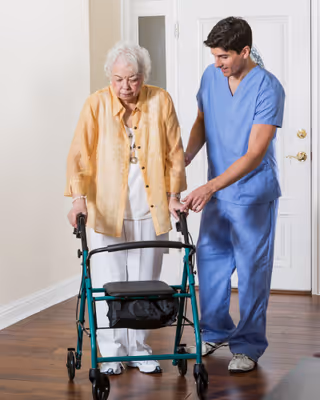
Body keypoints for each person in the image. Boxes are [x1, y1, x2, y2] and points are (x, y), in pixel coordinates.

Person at [65, 41, 186, 375]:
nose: (125, 87)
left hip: (151, 205)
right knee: (109, 281)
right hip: (106, 207)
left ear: (143, 76)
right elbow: (78, 155)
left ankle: (139, 348)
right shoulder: (96, 104)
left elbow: (175, 152)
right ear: (110, 77)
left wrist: (175, 194)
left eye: (132, 79)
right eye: (118, 79)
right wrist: (78, 199)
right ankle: (112, 351)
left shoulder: (160, 100)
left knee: (146, 282)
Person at [183, 17, 285, 372]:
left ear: (244, 51)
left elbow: (255, 152)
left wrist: (209, 186)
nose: (217, 64)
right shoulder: (212, 77)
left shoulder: (268, 88)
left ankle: (248, 345)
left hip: (253, 196)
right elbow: (202, 121)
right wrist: (185, 158)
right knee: (210, 264)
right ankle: (214, 330)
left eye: (224, 57)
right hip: (218, 194)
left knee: (252, 271)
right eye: (214, 56)